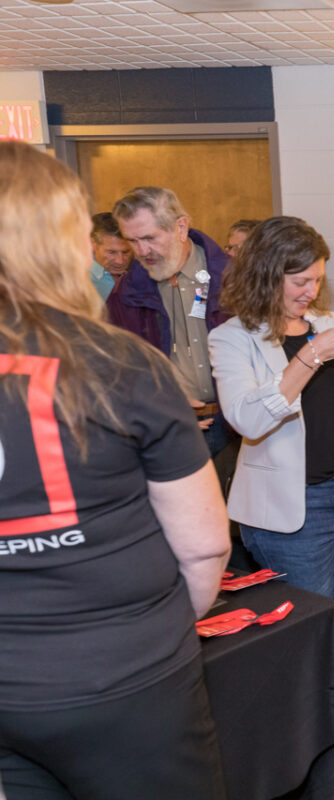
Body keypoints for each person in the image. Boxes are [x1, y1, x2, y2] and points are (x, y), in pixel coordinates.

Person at [0, 141, 230, 799]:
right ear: (57, 238)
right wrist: (162, 631)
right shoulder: (120, 363)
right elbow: (206, 546)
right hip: (126, 681)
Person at [209, 215, 334, 757]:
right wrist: (309, 356)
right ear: (265, 275)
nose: (311, 291)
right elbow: (248, 419)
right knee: (310, 633)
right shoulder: (232, 340)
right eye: (299, 281)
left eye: (317, 280)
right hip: (292, 510)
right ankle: (317, 745)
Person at [106, 186, 233, 460]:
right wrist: (158, 410)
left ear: (181, 227)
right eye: (133, 240)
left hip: (239, 432)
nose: (142, 251)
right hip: (167, 431)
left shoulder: (235, 278)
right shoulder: (125, 294)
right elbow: (116, 372)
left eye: (150, 238)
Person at [87, 212, 132, 300]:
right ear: (92, 244)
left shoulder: (142, 274)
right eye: (111, 252)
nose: (120, 261)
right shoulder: (78, 283)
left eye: (126, 252)